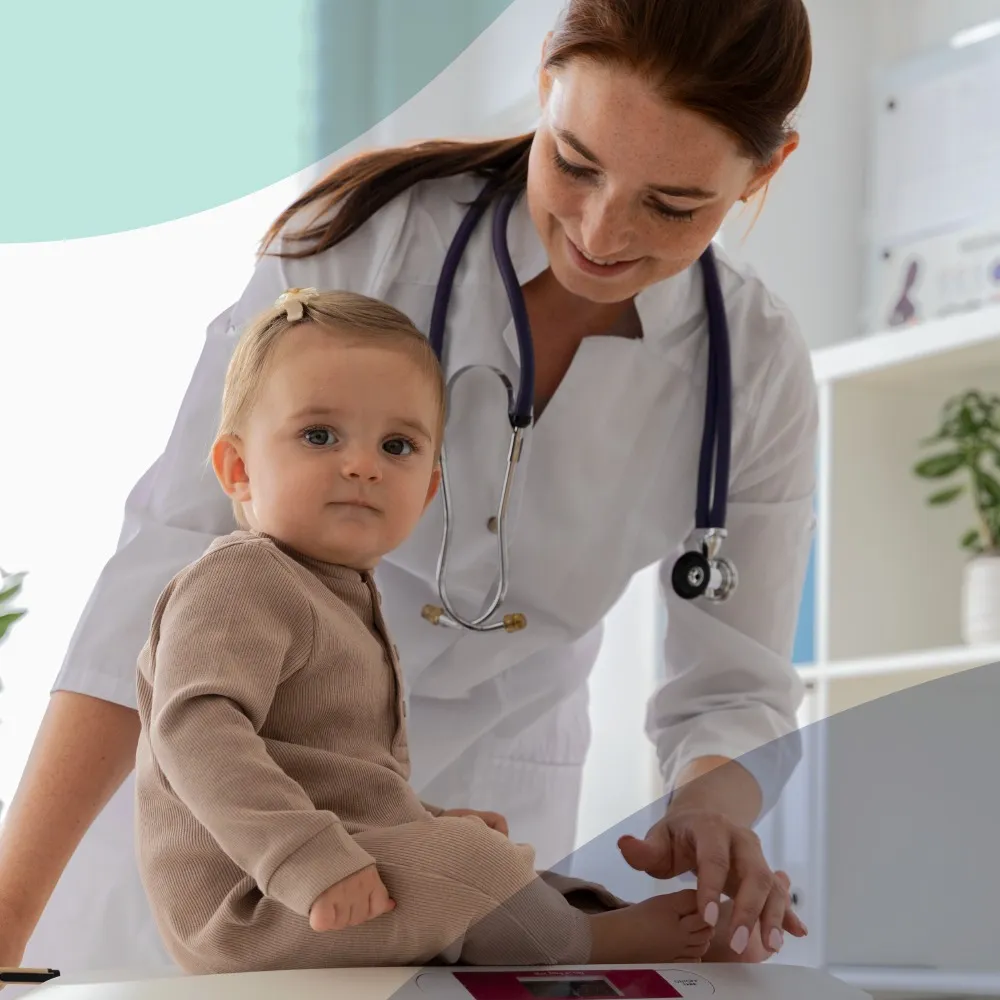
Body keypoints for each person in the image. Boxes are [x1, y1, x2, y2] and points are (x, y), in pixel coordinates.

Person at [0, 0, 816, 981]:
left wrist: (709, 812)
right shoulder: (372, 244)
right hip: (242, 788)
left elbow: (732, 679)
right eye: (574, 162)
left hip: (488, 788)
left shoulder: (754, 370)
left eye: (673, 204)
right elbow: (167, 563)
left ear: (764, 174)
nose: (602, 231)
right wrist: (9, 902)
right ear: (544, 88)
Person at [133, 286, 796, 973]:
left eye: (397, 445)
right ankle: (592, 945)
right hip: (257, 900)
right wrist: (307, 859)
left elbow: (339, 776)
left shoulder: (336, 593)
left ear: (425, 492)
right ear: (238, 471)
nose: (361, 464)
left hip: (317, 870)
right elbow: (195, 729)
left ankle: (613, 921)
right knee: (471, 863)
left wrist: (418, 820)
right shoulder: (242, 578)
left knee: (495, 860)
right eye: (319, 435)